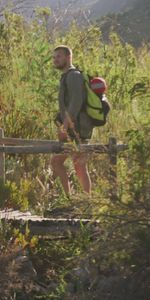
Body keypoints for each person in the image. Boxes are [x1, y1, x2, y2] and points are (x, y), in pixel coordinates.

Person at [50, 45, 92, 195]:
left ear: (68, 57)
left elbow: (76, 102)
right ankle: (77, 200)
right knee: (75, 165)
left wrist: (65, 127)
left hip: (77, 128)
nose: (55, 60)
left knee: (70, 164)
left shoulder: (73, 76)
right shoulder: (67, 76)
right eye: (54, 57)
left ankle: (78, 200)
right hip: (74, 128)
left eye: (58, 57)